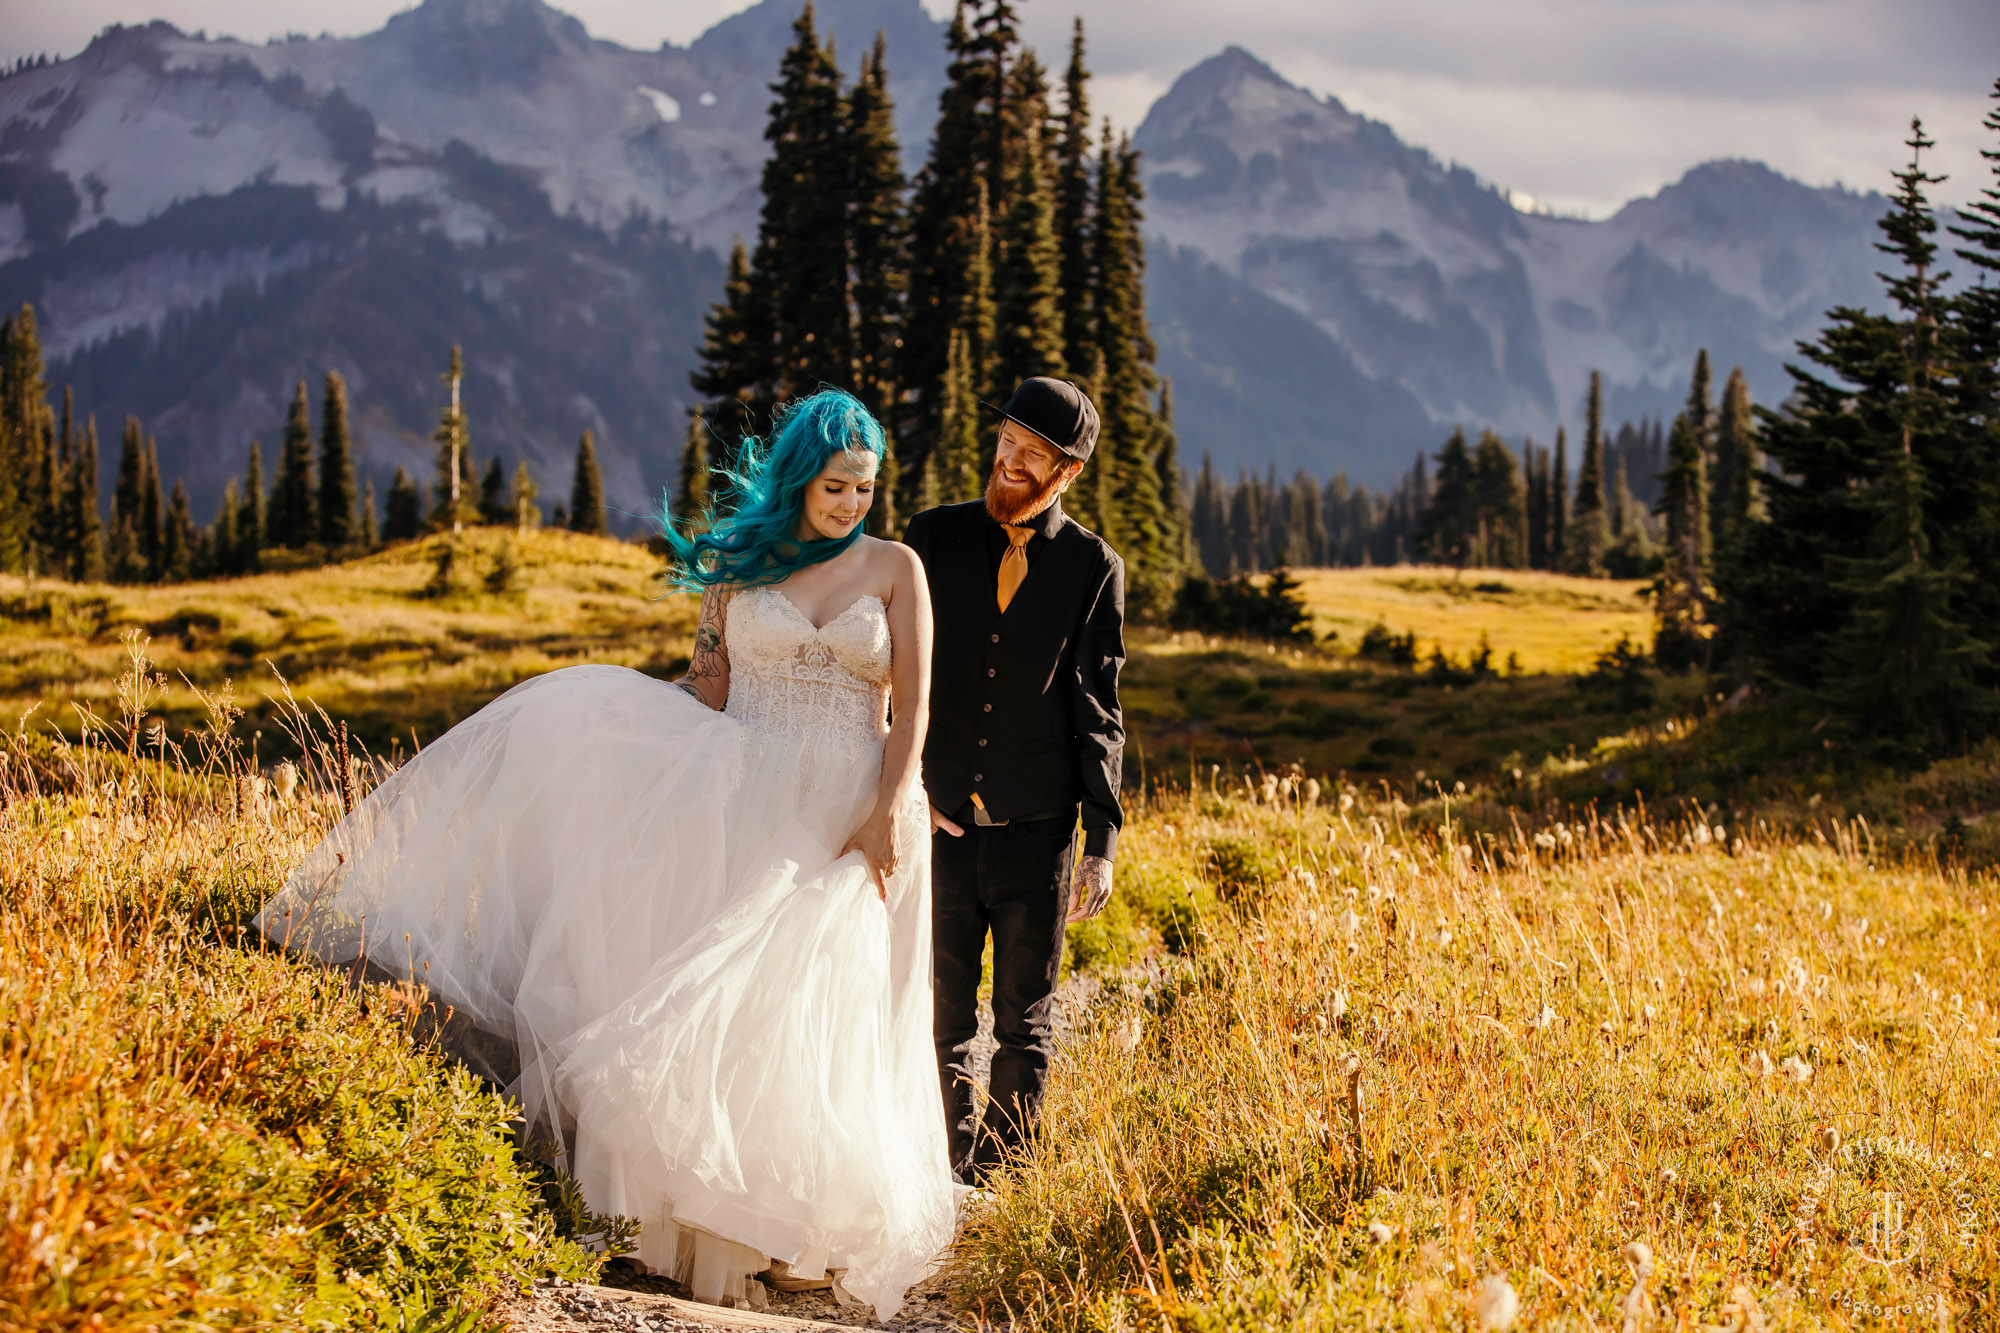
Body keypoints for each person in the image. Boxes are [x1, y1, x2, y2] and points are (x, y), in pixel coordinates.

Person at [256, 390, 957, 1319]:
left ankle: (805, 1235)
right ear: (799, 478)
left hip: (848, 809)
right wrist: (605, 726)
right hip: (740, 800)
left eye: (865, 489)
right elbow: (709, 689)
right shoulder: (738, 573)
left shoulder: (894, 567)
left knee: (821, 1006)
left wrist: (886, 810)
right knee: (723, 1006)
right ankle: (692, 1225)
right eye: (836, 487)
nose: (851, 505)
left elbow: (913, 704)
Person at [902, 376, 1126, 1187]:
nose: (1011, 461)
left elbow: (1097, 709)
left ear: (1067, 471)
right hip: (938, 821)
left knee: (1025, 1025)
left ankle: (1002, 1184)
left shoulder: (1093, 566)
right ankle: (940, 1175)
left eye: (1033, 454)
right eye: (1007, 442)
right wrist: (909, 785)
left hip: (1039, 833)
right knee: (938, 1018)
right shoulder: (932, 539)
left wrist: (1100, 841)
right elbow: (896, 675)